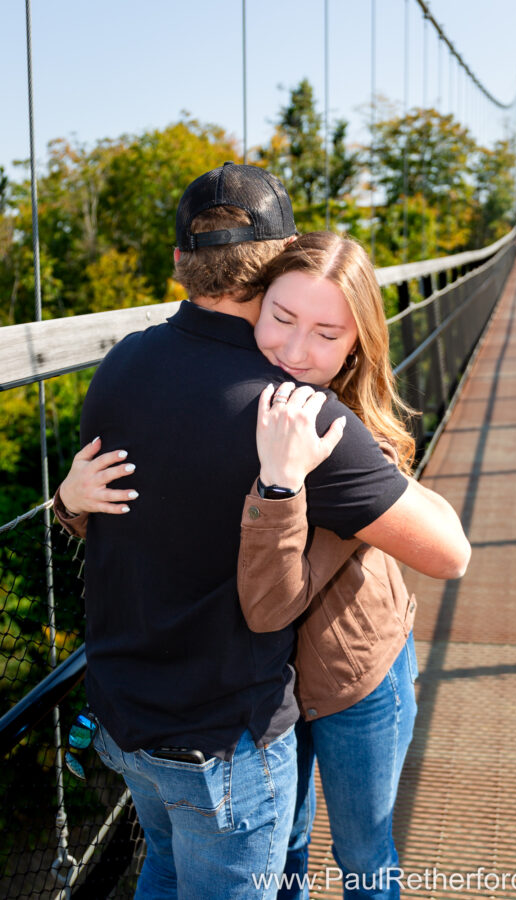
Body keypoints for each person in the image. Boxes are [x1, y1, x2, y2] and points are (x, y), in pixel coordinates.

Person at [57, 218, 470, 898]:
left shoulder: (322, 422)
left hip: (351, 670)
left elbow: (451, 553)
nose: (295, 351)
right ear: (258, 295)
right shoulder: (251, 400)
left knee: (364, 852)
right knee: (290, 850)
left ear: (359, 342)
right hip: (264, 687)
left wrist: (351, 479)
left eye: (327, 334)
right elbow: (161, 509)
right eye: (280, 318)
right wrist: (68, 501)